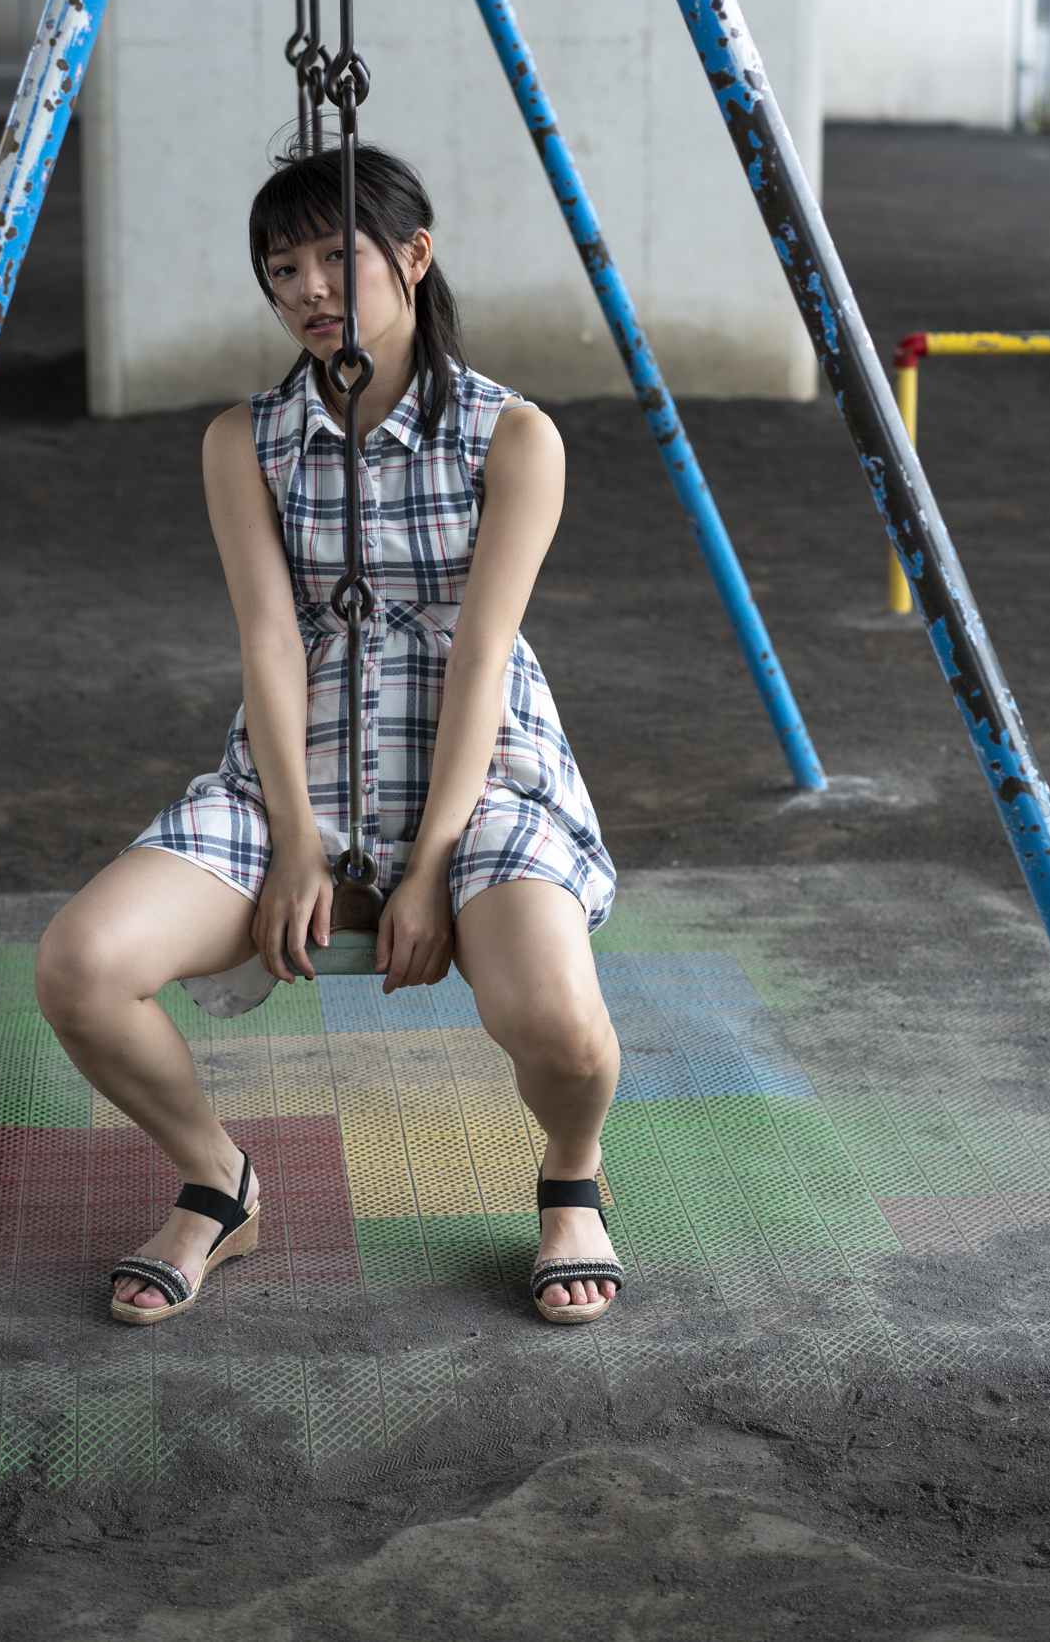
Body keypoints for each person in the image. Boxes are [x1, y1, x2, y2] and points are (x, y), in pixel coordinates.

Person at [35, 143, 624, 1326]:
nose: (306, 287)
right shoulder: (244, 441)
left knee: (561, 1025)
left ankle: (572, 1172)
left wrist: (432, 864)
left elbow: (480, 652)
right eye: (280, 267)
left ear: (413, 254)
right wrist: (296, 838)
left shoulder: (512, 437)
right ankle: (219, 1181)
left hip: (480, 777)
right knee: (80, 965)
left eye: (332, 257)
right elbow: (268, 641)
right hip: (290, 777)